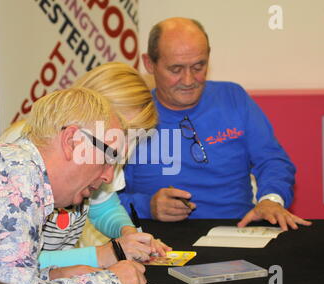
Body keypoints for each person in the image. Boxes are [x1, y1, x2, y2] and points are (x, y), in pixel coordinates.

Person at [0, 87, 146, 284]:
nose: (108, 176)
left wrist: (52, 276)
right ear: (72, 141)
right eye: (109, 159)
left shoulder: (15, 164)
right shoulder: (15, 175)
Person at [118, 17, 312, 231]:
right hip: (156, 240)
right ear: (149, 64)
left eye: (199, 66)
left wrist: (271, 199)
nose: (189, 80)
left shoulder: (233, 98)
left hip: (237, 231)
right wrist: (147, 207)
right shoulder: (129, 116)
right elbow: (100, 201)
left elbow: (273, 161)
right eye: (175, 69)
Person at [0, 62, 171, 272]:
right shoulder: (19, 160)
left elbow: (103, 205)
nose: (125, 149)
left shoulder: (104, 154)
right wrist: (106, 254)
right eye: (122, 132)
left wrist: (128, 234)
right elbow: (11, 262)